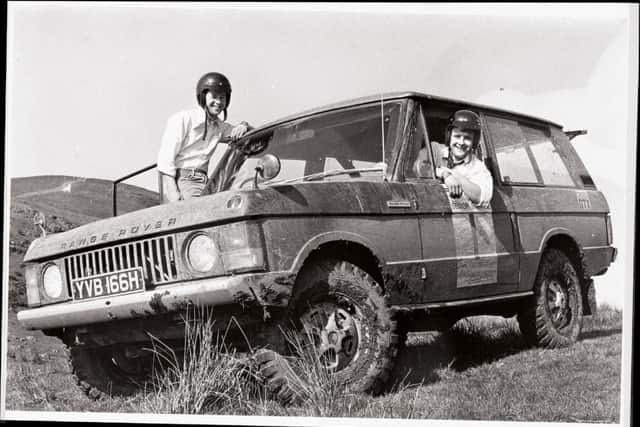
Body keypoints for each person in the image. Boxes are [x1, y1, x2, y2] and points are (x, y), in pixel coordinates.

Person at [157, 72, 253, 202]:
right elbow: (165, 159)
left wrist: (244, 125)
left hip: (207, 183)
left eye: (222, 97)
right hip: (183, 180)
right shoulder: (183, 119)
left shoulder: (219, 126)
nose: (218, 102)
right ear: (203, 96)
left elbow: (248, 136)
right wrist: (173, 192)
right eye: (214, 96)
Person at [434, 110, 493, 208]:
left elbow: (481, 197)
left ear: (474, 142)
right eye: (457, 136)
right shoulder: (434, 149)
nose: (461, 142)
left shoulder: (478, 167)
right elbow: (416, 168)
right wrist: (445, 175)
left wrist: (455, 177)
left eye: (467, 138)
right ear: (449, 137)